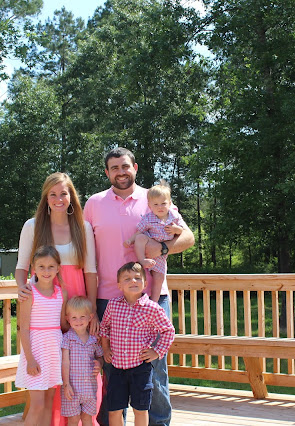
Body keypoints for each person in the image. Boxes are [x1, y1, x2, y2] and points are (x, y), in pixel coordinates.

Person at [84, 147, 194, 426]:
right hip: (108, 298)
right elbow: (86, 253)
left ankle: (158, 423)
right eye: (114, 168)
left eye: (125, 166)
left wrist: (162, 248)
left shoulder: (154, 198)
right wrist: (89, 301)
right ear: (107, 172)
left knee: (154, 366)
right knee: (111, 367)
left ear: (135, 167)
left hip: (152, 297)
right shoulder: (94, 203)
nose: (120, 172)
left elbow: (188, 237)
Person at [16, 172, 100, 425]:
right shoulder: (32, 226)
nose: (58, 198)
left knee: (79, 359)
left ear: (71, 196)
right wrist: (23, 290)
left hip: (77, 300)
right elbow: (21, 267)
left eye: (63, 193)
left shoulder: (83, 227)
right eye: (52, 194)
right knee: (52, 360)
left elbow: (91, 271)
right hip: (46, 301)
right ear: (45, 198)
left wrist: (93, 311)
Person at [99, 262, 175, 426]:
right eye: (127, 278)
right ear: (119, 285)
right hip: (117, 368)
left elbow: (168, 330)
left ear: (145, 283)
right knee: (114, 410)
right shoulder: (113, 305)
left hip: (140, 369)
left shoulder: (152, 308)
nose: (133, 281)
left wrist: (157, 351)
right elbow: (104, 328)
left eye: (137, 278)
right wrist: (105, 348)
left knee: (140, 409)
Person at [15, 245, 68, 426]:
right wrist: (30, 359)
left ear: (58, 268)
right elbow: (24, 328)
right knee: (37, 405)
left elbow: (62, 325)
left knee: (48, 403)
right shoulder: (29, 293)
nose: (46, 271)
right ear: (34, 268)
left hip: (53, 353)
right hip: (35, 353)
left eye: (51, 266)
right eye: (42, 267)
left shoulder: (61, 293)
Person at [124, 181, 186, 302]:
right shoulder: (148, 218)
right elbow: (139, 231)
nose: (160, 207)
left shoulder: (174, 216)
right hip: (149, 241)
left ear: (169, 203)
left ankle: (154, 303)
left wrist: (176, 229)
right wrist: (130, 240)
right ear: (150, 205)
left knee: (159, 278)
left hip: (161, 254)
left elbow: (182, 232)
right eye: (156, 204)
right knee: (140, 238)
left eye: (163, 203)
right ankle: (142, 260)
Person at [62, 296, 104, 426]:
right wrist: (66, 384)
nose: (78, 321)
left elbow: (100, 356)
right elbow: (65, 362)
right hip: (71, 388)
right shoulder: (67, 338)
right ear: (68, 319)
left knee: (87, 418)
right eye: (74, 317)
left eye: (82, 317)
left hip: (89, 388)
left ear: (90, 317)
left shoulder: (94, 339)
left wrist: (99, 364)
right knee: (73, 419)